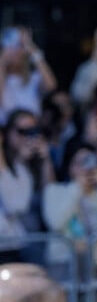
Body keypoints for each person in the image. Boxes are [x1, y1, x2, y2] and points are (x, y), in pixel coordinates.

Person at [42, 143, 97, 298]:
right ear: (69, 166)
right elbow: (56, 222)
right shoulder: (55, 191)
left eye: (91, 161)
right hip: (63, 267)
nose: (86, 167)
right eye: (80, 162)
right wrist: (77, 188)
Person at [0, 108, 56, 263]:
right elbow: (15, 204)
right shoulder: (7, 163)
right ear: (8, 133)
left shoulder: (37, 162)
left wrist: (45, 161)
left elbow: (52, 197)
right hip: (11, 244)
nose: (28, 137)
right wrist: (17, 160)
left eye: (33, 130)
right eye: (22, 131)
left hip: (34, 241)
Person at [0, 26, 58, 125]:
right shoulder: (3, 79)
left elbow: (51, 86)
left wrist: (32, 49)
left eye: (19, 46)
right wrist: (3, 59)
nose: (16, 51)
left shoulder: (34, 78)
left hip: (31, 133)